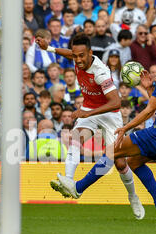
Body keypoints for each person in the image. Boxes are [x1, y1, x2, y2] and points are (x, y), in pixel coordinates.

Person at [51, 33, 156, 225]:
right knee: (134, 163)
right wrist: (149, 88)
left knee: (112, 153)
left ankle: (78, 188)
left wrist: (126, 127)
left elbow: (150, 111)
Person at [35, 32, 143, 219]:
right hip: (90, 109)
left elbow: (116, 102)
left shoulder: (100, 72)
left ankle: (133, 196)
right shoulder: (78, 57)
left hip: (109, 115)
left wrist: (87, 113)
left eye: (81, 56)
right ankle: (69, 181)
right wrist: (49, 48)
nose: (77, 60)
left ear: (90, 53)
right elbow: (69, 53)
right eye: (75, 56)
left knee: (119, 162)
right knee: (75, 138)